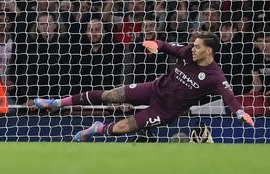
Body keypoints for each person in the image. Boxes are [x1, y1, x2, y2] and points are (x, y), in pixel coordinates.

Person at [32, 32, 255, 141]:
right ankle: (56, 103)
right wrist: (152, 44)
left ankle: (95, 129)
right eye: (193, 45)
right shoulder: (186, 52)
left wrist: (240, 113)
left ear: (209, 51)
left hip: (164, 111)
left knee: (121, 128)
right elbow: (164, 45)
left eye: (198, 46)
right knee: (110, 95)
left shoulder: (215, 76)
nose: (192, 48)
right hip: (154, 88)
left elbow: (229, 97)